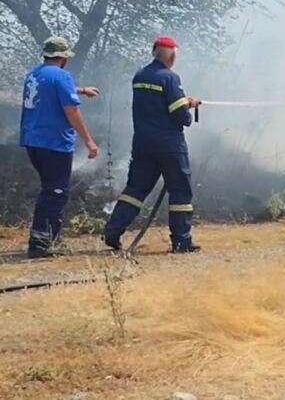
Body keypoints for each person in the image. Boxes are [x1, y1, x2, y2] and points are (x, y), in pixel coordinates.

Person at [103, 36, 202, 253]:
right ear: (172, 57)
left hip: (143, 143)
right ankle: (181, 241)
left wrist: (182, 102)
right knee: (180, 193)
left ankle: (112, 231)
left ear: (153, 52)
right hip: (169, 145)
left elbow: (156, 104)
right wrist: (189, 106)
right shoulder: (170, 78)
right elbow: (181, 116)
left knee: (135, 190)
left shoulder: (140, 76)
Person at [20, 36, 100, 259]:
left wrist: (81, 90)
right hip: (54, 143)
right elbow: (71, 110)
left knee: (50, 189)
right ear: (63, 58)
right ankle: (41, 244)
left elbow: (51, 89)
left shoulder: (33, 75)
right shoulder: (62, 75)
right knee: (55, 192)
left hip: (32, 141)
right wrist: (89, 140)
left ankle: (50, 237)